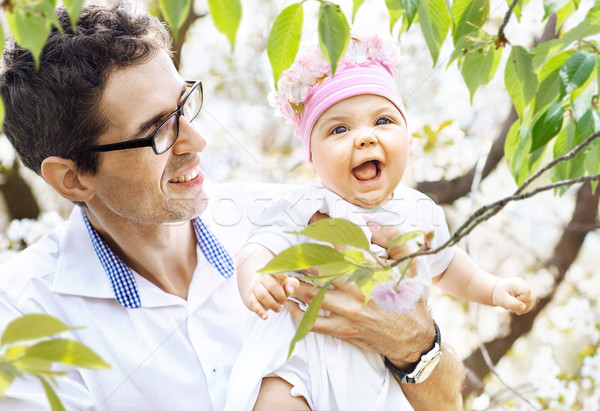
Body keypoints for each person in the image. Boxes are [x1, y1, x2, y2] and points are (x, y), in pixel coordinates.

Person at [0, 2, 465, 410]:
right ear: (72, 178)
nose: (197, 141)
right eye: (159, 130)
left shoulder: (299, 221)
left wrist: (416, 344)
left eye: (186, 105)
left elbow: (447, 404)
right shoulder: (24, 319)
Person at [230, 34, 536, 409]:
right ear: (312, 159)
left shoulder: (419, 210)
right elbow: (259, 245)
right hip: (302, 354)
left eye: (383, 120)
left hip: (376, 365)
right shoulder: (305, 204)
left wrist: (493, 288)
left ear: (408, 137)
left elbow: (449, 265)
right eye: (339, 130)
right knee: (275, 396)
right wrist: (257, 279)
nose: (364, 138)